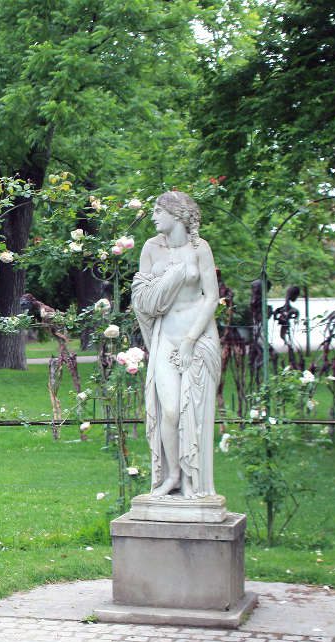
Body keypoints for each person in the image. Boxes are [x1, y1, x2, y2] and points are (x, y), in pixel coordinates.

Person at [132, 191, 220, 498]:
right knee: (168, 410)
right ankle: (171, 476)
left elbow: (212, 297)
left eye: (158, 210)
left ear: (177, 215)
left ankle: (192, 481)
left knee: (191, 411)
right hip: (165, 336)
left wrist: (190, 340)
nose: (153, 215)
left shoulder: (200, 248)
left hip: (197, 338)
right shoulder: (150, 248)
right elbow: (141, 297)